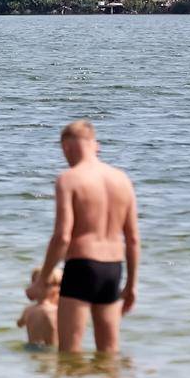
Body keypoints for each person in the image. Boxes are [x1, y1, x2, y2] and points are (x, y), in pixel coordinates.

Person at [35, 120, 139, 354]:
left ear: (66, 148)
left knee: (69, 354)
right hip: (113, 269)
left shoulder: (68, 179)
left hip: (82, 266)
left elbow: (62, 236)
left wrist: (42, 280)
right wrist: (131, 285)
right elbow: (132, 239)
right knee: (109, 352)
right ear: (96, 146)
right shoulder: (122, 179)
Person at [16, 264, 61, 348]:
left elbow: (19, 324)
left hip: (31, 348)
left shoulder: (28, 310)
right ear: (55, 290)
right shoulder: (55, 311)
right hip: (51, 350)